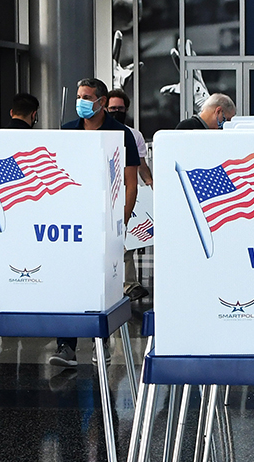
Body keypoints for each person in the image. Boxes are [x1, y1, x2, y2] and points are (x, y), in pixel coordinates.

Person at [52, 78, 140, 368]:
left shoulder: (121, 134)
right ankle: (66, 346)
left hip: (104, 221)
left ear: (102, 101)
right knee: (67, 282)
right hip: (72, 221)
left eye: (87, 97)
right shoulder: (67, 132)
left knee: (101, 285)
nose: (82, 102)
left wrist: (121, 224)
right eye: (79, 96)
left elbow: (130, 184)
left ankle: (100, 343)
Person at [105, 88, 152, 302]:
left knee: (124, 238)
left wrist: (150, 182)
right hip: (102, 191)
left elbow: (140, 163)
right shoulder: (97, 131)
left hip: (124, 190)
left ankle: (127, 283)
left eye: (120, 109)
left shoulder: (133, 135)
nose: (116, 112)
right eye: (113, 108)